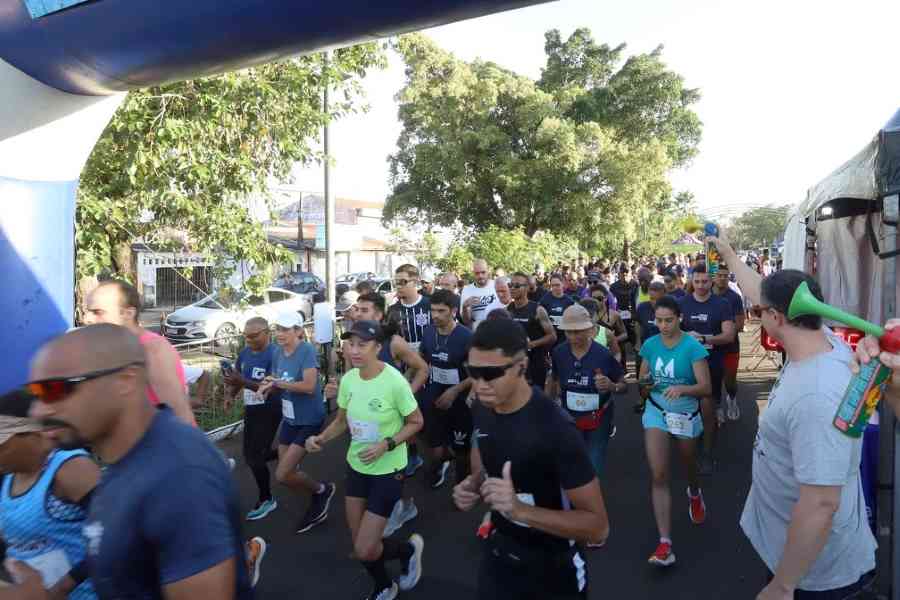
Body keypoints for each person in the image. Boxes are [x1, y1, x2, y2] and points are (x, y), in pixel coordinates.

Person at [23, 324, 252, 598]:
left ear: (126, 381)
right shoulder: (123, 462)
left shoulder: (179, 477)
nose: (38, 410)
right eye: (34, 393)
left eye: (54, 389)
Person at [709, 234, 877, 599]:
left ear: (776, 317)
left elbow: (821, 502)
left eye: (761, 311)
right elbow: (761, 291)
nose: (757, 313)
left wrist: (783, 586)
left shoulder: (815, 396)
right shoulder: (823, 337)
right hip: (795, 554)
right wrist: (728, 254)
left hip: (814, 577)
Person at [452, 319, 609, 599]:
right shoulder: (482, 405)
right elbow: (490, 459)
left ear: (521, 366)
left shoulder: (556, 429)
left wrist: (520, 511)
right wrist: (474, 484)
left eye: (491, 373)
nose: (479, 383)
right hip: (500, 553)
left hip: (554, 568)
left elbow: (597, 527)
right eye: (472, 372)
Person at [305, 320, 425, 600]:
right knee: (362, 542)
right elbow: (341, 422)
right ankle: (390, 576)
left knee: (363, 548)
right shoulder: (349, 380)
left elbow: (416, 421)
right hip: (357, 466)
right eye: (350, 344)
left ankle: (398, 566)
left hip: (388, 470)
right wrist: (320, 438)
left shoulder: (394, 381)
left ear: (378, 348)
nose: (354, 351)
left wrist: (387, 444)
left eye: (363, 345)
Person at [330, 292, 428, 536]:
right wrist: (339, 386)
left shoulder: (394, 342)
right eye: (357, 309)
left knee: (391, 473)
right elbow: (353, 378)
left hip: (392, 425)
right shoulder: (353, 345)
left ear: (379, 314)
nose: (357, 313)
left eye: (364, 310)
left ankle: (398, 507)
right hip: (362, 424)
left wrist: (406, 395)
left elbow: (422, 368)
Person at [637, 296, 710, 567]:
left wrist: (683, 388)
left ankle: (694, 492)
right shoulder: (650, 345)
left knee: (688, 461)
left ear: (680, 318)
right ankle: (665, 542)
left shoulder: (692, 347)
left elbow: (705, 387)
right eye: (659, 321)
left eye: (669, 320)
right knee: (658, 472)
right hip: (656, 409)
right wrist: (645, 384)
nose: (664, 326)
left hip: (684, 412)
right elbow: (642, 385)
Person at [0, 415, 100, 599]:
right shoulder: (7, 478)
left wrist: (62, 588)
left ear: (25, 433)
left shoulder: (70, 468)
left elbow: (113, 535)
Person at [259, 312, 335, 534]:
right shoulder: (277, 352)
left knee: (283, 474)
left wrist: (280, 384)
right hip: (290, 418)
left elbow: (310, 386)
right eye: (278, 329)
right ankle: (316, 493)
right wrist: (268, 385)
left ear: (298, 331)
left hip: (310, 419)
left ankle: (321, 491)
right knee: (288, 472)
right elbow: (276, 377)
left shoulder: (306, 351)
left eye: (285, 329)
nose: (279, 333)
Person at [82, 280, 195, 425]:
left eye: (98, 312)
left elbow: (179, 414)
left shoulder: (152, 350)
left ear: (128, 314)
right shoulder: (112, 348)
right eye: (88, 311)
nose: (87, 319)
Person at [546, 306, 625, 493]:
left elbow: (624, 384)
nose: (573, 337)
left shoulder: (603, 355)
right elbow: (554, 380)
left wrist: (611, 386)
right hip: (569, 418)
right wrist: (549, 403)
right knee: (570, 466)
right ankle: (577, 508)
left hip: (598, 418)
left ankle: (590, 510)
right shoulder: (558, 353)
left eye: (578, 331)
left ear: (589, 329)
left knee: (592, 468)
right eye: (569, 332)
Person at [678, 264, 735, 474]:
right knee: (685, 405)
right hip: (685, 364)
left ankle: (707, 453)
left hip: (712, 362)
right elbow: (671, 331)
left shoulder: (722, 304)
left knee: (707, 406)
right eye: (697, 281)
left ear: (711, 281)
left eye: (704, 281)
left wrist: (704, 339)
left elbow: (728, 335)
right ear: (691, 281)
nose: (701, 286)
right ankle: (686, 445)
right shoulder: (681, 303)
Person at [223, 317, 282, 521]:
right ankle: (287, 454)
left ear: (267, 333)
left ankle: (267, 499)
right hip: (252, 409)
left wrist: (243, 382)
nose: (248, 340)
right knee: (252, 455)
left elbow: (273, 389)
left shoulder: (275, 354)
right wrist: (231, 394)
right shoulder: (245, 353)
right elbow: (238, 377)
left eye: (253, 336)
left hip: (271, 408)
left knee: (254, 457)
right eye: (245, 336)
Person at [417, 289, 473, 489]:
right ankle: (439, 463)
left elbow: (476, 374)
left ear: (453, 311)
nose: (435, 316)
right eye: (433, 311)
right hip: (433, 393)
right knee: (433, 440)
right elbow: (422, 360)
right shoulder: (429, 332)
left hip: (460, 399)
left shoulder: (466, 336)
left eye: (441, 311)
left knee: (462, 449)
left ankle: (463, 483)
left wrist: (455, 391)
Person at [507, 272, 556, 387]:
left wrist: (531, 344)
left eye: (517, 286)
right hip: (515, 365)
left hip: (535, 365)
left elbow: (552, 336)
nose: (512, 288)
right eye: (510, 285)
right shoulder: (508, 310)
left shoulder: (538, 310)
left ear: (527, 288)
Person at [712, 263, 745, 422]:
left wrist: (725, 333)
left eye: (725, 276)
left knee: (730, 381)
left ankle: (732, 400)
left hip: (731, 346)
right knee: (714, 379)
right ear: (714, 276)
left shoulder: (734, 297)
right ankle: (717, 407)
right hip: (711, 347)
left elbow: (740, 324)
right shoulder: (706, 294)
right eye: (719, 275)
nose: (722, 278)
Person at [386, 264, 431, 352]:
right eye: (396, 282)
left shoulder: (430, 305)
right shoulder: (392, 310)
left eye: (403, 282)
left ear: (415, 282)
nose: (398, 286)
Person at [610, 267, 638, 375]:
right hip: (619, 318)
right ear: (619, 274)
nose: (625, 275)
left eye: (627, 273)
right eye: (622, 273)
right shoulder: (613, 287)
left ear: (631, 273)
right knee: (620, 345)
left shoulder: (635, 285)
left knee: (636, 345)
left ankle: (637, 369)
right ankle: (622, 371)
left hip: (633, 317)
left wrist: (635, 314)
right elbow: (611, 303)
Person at [460, 259, 504, 328]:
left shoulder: (497, 285)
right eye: (477, 273)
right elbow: (466, 321)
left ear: (488, 271)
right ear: (473, 273)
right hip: (478, 332)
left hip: (498, 329)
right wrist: (464, 307)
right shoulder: (467, 290)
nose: (480, 276)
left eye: (483, 272)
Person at [539, 274, 576, 346]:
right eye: (552, 286)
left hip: (564, 336)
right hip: (549, 336)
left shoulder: (569, 301)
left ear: (563, 284)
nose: (555, 288)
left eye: (557, 285)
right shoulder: (545, 299)